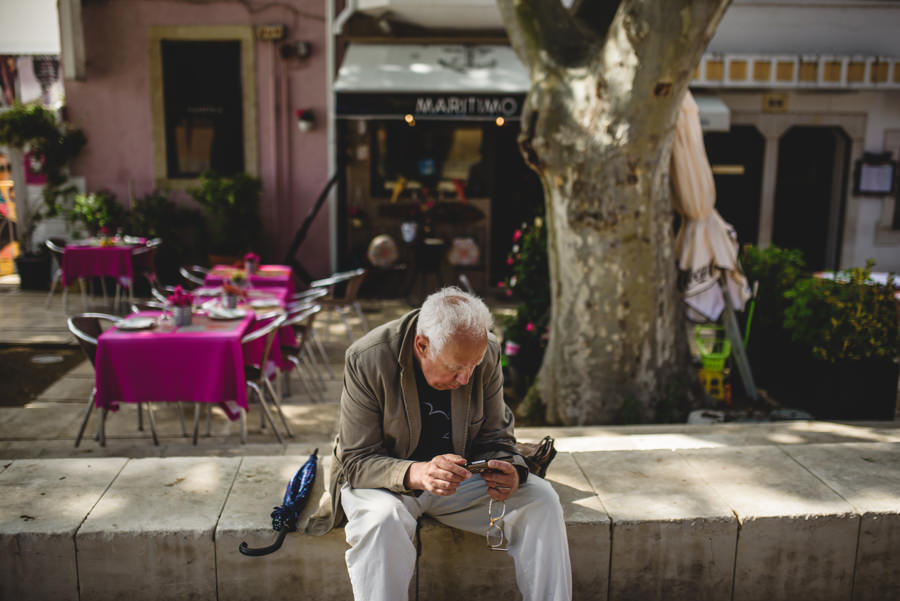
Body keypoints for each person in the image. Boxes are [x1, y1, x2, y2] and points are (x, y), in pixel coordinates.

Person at [306, 287, 572, 601]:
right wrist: (417, 473)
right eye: (455, 368)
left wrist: (510, 469)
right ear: (422, 345)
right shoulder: (368, 357)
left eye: (473, 366)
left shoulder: (484, 351)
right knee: (381, 521)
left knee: (541, 500)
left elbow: (496, 436)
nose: (466, 379)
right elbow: (356, 461)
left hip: (460, 479)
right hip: (387, 483)